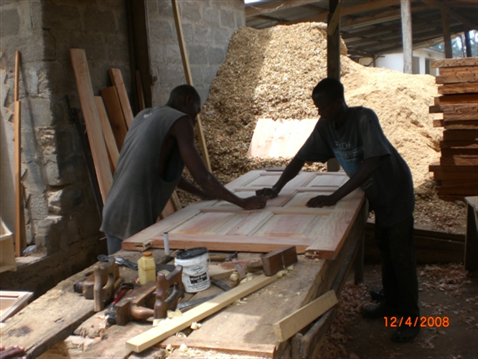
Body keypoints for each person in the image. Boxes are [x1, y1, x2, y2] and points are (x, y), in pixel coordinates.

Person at [256, 78, 420, 342]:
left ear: (337, 102)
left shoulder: (364, 118)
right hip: (376, 193)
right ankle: (391, 303)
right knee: (386, 247)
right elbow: (300, 157)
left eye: (322, 107)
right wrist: (277, 187)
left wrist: (335, 196)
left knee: (400, 253)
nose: (319, 113)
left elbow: (372, 162)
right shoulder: (327, 126)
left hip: (394, 189)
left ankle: (412, 318)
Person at [101, 84, 266, 254]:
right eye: (197, 110)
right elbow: (203, 177)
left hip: (113, 209)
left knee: (120, 268)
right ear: (187, 100)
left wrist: (201, 193)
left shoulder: (144, 115)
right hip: (133, 212)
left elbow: (164, 173)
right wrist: (242, 202)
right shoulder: (180, 120)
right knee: (135, 269)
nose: (196, 117)